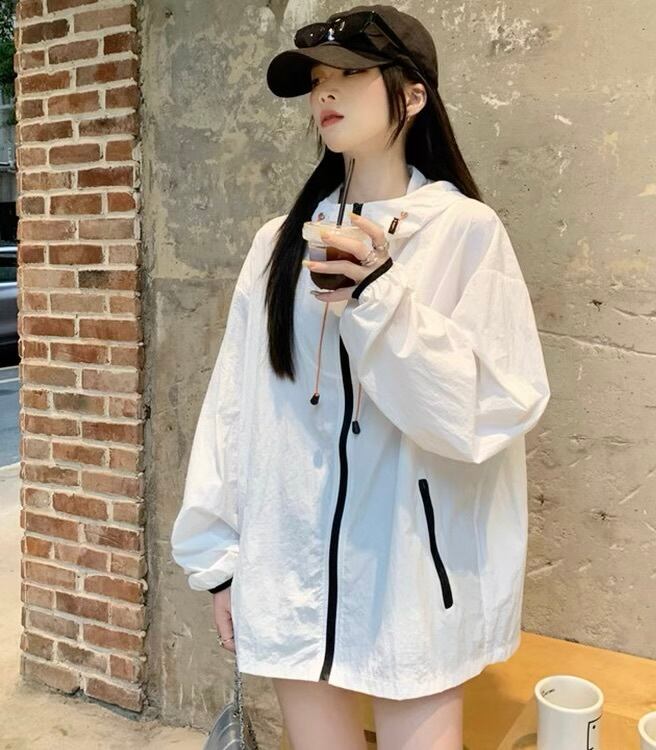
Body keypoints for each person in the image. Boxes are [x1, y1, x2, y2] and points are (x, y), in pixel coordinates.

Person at [170, 5, 551, 749]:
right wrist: (221, 562)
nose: (325, 92)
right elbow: (236, 406)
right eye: (317, 78)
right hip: (290, 568)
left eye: (350, 74)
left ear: (412, 95)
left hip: (412, 578)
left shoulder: (466, 232)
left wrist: (378, 298)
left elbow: (491, 407)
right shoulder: (278, 243)